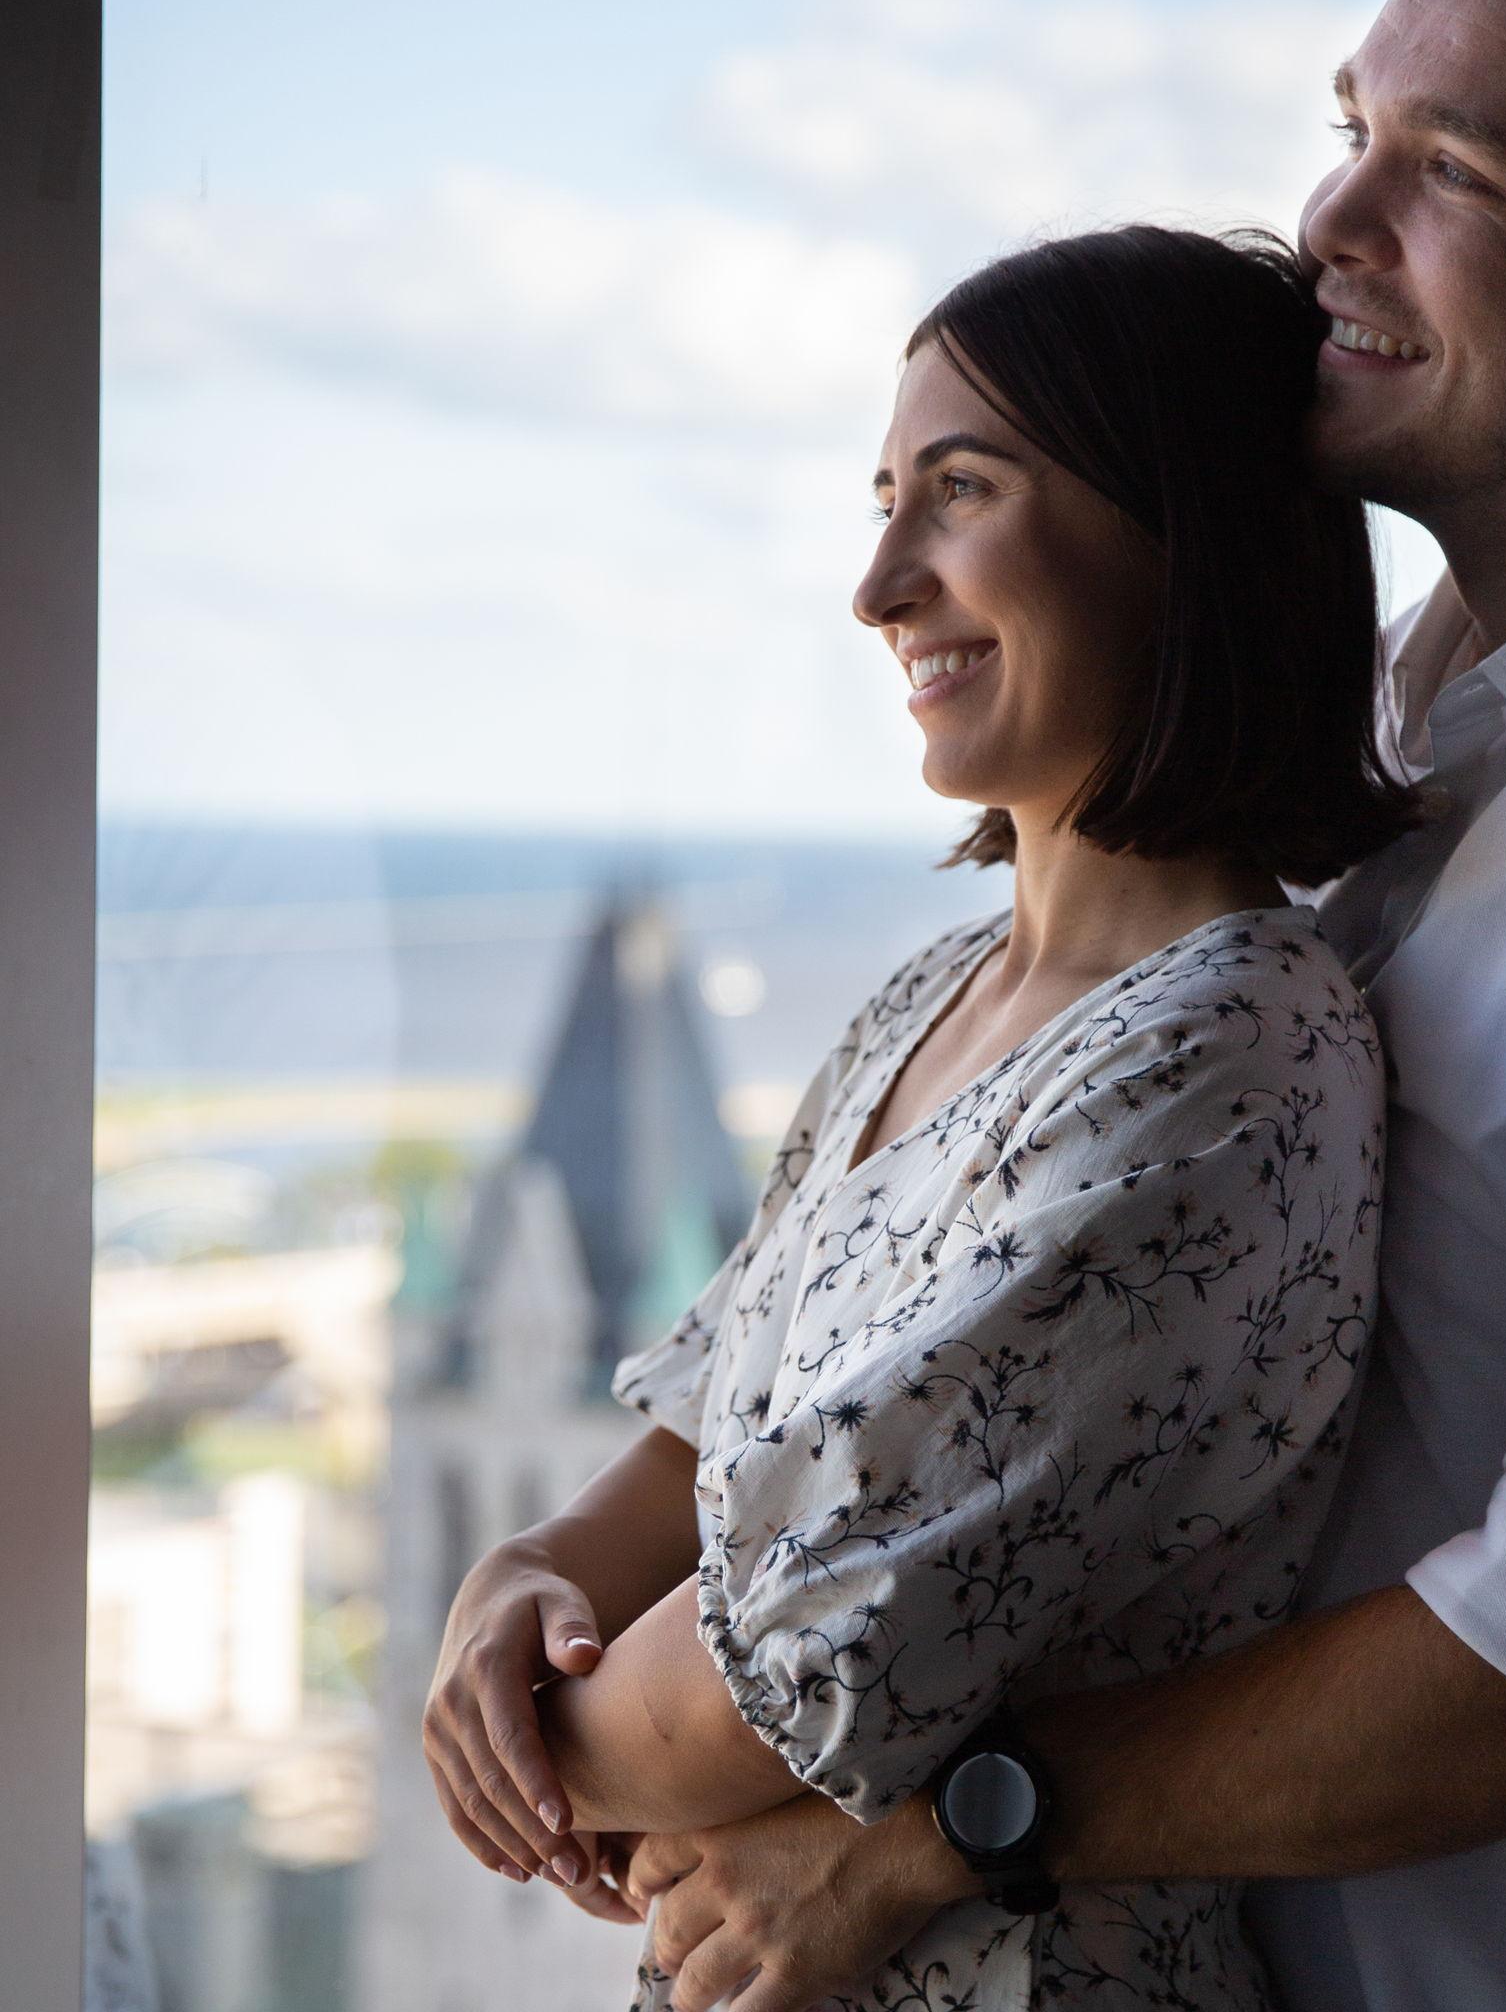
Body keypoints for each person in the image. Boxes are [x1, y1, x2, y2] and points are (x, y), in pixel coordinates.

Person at [540, 0, 1506, 2009]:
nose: (1334, 219)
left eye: (1454, 171)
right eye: (1355, 129)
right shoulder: (1403, 728)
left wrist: (933, 1824)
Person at [422, 224, 1418, 2010]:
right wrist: (529, 1567)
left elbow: (764, 1692)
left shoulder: (1223, 1053)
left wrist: (525, 1746)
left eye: (960, 492)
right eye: (886, 501)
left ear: (1179, 533)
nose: (880, 586)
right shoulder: (932, 997)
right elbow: (702, 1430)